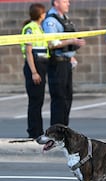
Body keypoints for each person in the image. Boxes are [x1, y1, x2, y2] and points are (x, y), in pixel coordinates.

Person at [42, 0, 86, 126]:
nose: (68, 4)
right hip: (57, 64)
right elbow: (52, 43)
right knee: (59, 99)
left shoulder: (64, 18)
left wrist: (71, 55)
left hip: (66, 62)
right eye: (65, 1)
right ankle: (56, 133)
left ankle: (64, 131)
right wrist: (72, 41)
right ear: (56, 3)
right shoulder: (51, 21)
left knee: (67, 99)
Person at [20, 3, 48, 139]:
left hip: (41, 64)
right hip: (34, 65)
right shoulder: (30, 28)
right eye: (44, 12)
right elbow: (28, 51)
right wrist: (34, 72)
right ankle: (34, 131)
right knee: (35, 101)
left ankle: (38, 130)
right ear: (40, 14)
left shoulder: (38, 27)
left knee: (39, 101)